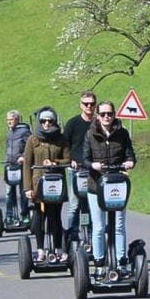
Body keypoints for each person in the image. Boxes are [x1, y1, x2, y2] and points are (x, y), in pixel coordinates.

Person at [83, 100, 136, 275]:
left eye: (110, 114)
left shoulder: (122, 133)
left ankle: (121, 263)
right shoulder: (90, 135)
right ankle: (99, 263)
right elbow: (85, 159)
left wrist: (129, 162)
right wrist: (93, 165)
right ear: (97, 116)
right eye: (103, 114)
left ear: (114, 115)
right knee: (98, 226)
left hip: (117, 184)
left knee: (119, 226)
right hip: (96, 185)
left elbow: (130, 155)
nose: (107, 117)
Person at [23, 107, 71, 263]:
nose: (47, 124)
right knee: (39, 216)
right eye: (44, 121)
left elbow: (68, 160)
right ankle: (40, 249)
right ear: (40, 122)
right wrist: (28, 188)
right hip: (38, 182)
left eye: (50, 121)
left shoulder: (61, 138)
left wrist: (55, 162)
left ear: (54, 121)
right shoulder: (33, 139)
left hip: (56, 183)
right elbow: (27, 164)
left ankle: (58, 248)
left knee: (55, 216)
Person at [63, 90, 96, 240]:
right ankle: (72, 235)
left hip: (93, 170)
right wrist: (71, 160)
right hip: (75, 170)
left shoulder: (98, 123)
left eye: (91, 104)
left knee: (89, 205)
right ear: (80, 105)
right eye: (86, 104)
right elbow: (64, 146)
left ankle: (88, 235)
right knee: (74, 205)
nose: (89, 106)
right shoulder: (73, 123)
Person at [4, 110, 31, 223]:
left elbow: (30, 147)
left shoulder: (24, 131)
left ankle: (24, 215)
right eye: (7, 120)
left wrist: (23, 156)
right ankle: (9, 215)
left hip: (21, 166)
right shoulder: (9, 132)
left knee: (23, 191)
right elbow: (8, 149)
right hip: (10, 165)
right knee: (9, 191)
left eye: (10, 119)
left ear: (17, 119)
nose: (8, 122)